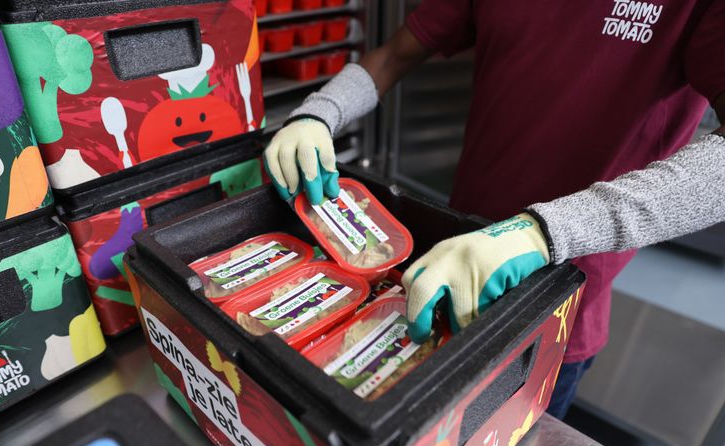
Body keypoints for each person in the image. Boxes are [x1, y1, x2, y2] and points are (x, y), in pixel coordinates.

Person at [264, 0, 725, 419]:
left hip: (555, 307)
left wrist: (537, 233)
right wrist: (319, 113)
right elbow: (393, 56)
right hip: (445, 271)